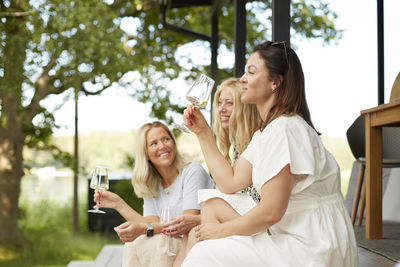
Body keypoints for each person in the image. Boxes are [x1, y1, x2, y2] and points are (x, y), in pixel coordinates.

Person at [181, 41, 358, 266]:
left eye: (251, 72)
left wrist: (220, 231)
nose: (243, 79)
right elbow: (229, 182)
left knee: (204, 253)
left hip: (312, 245)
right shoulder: (266, 132)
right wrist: (203, 133)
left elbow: (270, 213)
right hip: (292, 233)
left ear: (275, 82)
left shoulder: (285, 128)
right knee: (212, 206)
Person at [93, 121, 214, 267]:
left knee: (151, 242)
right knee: (135, 243)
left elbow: (183, 225)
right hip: (172, 243)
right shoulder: (152, 183)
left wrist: (143, 229)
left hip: (193, 241)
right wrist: (118, 204)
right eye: (154, 143)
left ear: (173, 143)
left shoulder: (192, 171)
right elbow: (150, 224)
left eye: (166, 139)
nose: (162, 146)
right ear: (146, 154)